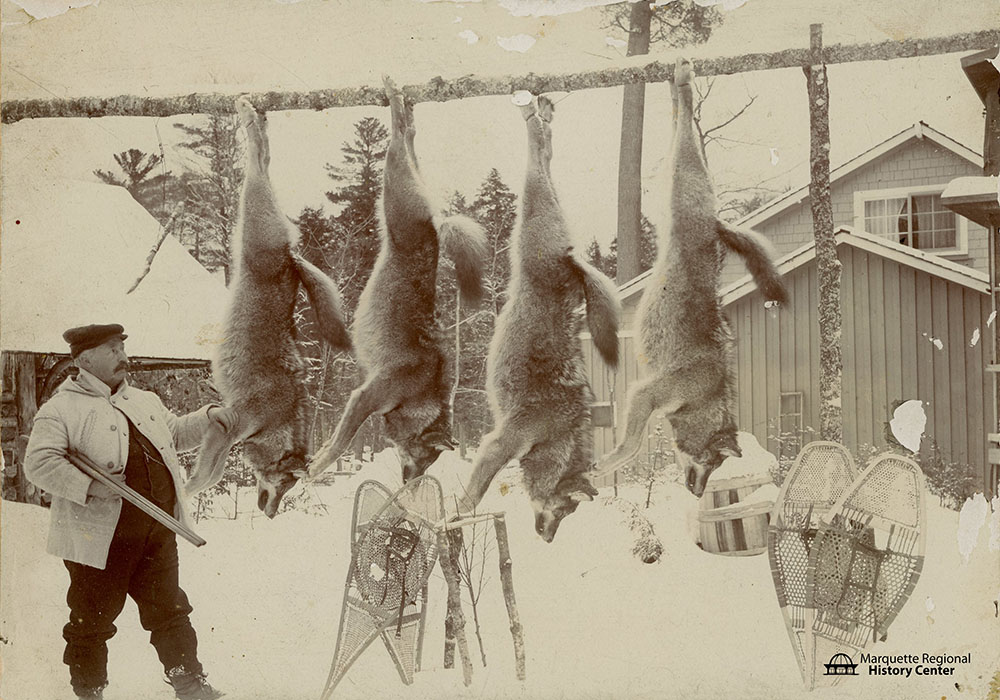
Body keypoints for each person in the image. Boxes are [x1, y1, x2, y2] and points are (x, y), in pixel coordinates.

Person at [24, 324, 237, 700]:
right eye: (113, 349)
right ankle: (89, 690)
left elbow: (175, 436)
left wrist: (208, 417)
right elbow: (39, 463)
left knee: (170, 610)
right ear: (85, 358)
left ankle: (190, 683)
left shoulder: (144, 401)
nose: (124, 357)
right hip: (99, 539)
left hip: (156, 529)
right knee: (92, 620)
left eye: (123, 348)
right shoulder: (60, 409)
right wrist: (91, 485)